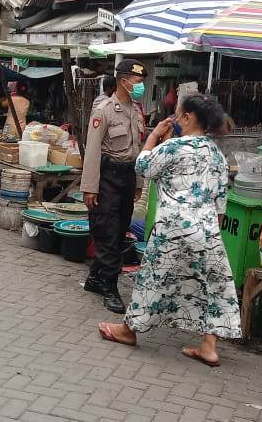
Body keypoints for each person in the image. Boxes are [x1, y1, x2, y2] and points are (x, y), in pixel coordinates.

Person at [97, 94, 242, 366]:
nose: (175, 119)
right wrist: (212, 231)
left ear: (187, 117)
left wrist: (153, 136)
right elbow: (221, 202)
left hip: (173, 227)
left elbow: (142, 166)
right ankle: (209, 347)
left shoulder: (174, 147)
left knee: (153, 279)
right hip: (207, 228)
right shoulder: (217, 154)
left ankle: (128, 330)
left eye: (177, 114)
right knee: (214, 284)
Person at [80, 59, 147, 314]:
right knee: (107, 230)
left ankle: (95, 278)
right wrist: (90, 187)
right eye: (138, 82)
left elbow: (137, 150)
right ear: (124, 81)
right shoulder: (104, 110)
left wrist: (138, 182)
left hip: (128, 176)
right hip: (107, 175)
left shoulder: (136, 111)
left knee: (120, 232)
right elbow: (92, 151)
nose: (140, 86)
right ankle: (110, 287)